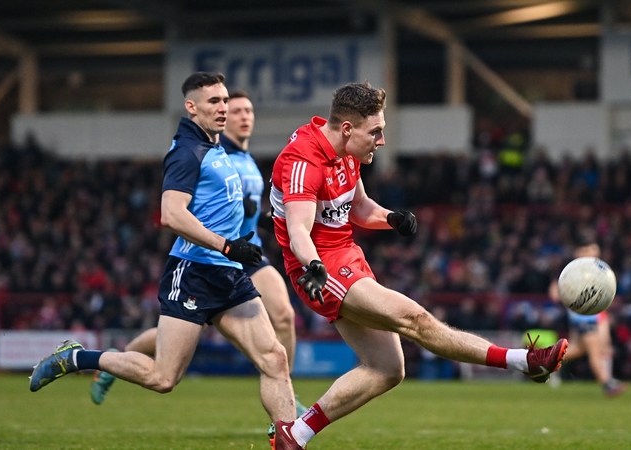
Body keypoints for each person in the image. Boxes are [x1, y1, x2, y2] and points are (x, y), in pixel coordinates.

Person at [266, 81, 568, 450]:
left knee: (388, 369)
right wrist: (313, 265)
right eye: (375, 132)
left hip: (347, 258)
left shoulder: (346, 152)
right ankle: (525, 361)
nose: (382, 140)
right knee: (416, 319)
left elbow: (359, 207)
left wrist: (391, 218)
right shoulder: (303, 160)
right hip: (319, 269)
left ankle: (294, 435)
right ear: (348, 128)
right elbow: (298, 228)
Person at [30, 72, 297, 426]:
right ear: (191, 107)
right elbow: (171, 215)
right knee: (163, 378)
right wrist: (228, 246)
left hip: (230, 275)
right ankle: (77, 359)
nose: (224, 108)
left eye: (225, 100)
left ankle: (289, 439)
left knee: (274, 359)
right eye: (214, 102)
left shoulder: (215, 147)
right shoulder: (187, 152)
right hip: (195, 273)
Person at [88, 89, 307, 416]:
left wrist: (266, 218)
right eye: (236, 111)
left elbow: (244, 212)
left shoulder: (246, 161)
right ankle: (110, 364)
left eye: (248, 111)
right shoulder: (217, 157)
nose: (244, 116)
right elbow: (184, 210)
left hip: (248, 254)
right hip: (215, 255)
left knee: (285, 317)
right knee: (176, 336)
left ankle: (283, 390)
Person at [549, 242, 627, 397]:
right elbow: (554, 293)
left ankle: (541, 361)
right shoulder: (571, 270)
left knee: (578, 350)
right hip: (582, 316)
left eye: (595, 249)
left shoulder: (596, 269)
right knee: (594, 351)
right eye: (589, 249)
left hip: (593, 314)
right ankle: (607, 384)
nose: (593, 253)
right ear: (579, 251)